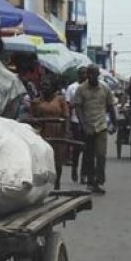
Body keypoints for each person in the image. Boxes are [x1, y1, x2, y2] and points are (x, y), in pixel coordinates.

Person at [73, 64, 117, 194]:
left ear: (98, 75)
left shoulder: (105, 89)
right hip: (88, 127)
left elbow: (110, 107)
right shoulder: (81, 89)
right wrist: (82, 125)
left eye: (94, 74)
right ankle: (91, 181)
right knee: (89, 156)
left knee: (101, 155)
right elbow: (78, 108)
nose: (92, 76)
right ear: (87, 75)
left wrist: (114, 123)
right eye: (89, 74)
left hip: (101, 126)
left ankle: (99, 180)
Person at [28, 73, 70, 190]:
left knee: (57, 160)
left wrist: (66, 132)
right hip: (42, 132)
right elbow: (32, 117)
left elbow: (66, 116)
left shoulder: (60, 99)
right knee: (42, 158)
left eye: (47, 85)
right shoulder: (36, 101)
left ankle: (57, 184)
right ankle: (43, 184)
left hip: (57, 132)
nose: (44, 87)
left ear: (53, 87)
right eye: (42, 85)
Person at [65, 67, 87, 183]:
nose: (84, 76)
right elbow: (68, 105)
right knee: (77, 148)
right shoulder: (72, 88)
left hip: (88, 121)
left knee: (87, 149)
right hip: (76, 120)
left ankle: (84, 174)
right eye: (82, 73)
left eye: (85, 73)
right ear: (78, 75)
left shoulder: (90, 88)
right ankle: (74, 167)